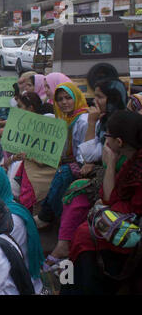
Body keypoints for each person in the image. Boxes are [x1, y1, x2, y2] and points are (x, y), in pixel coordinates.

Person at [43, 79, 128, 270]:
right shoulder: (102, 119)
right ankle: (60, 234)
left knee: (72, 186)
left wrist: (90, 123)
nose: (94, 101)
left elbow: (90, 156)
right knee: (72, 189)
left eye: (100, 97)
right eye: (60, 99)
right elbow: (90, 154)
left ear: (113, 98)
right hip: (99, 169)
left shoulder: (116, 122)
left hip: (110, 174)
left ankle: (60, 238)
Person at [62, 111, 142, 295]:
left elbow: (114, 201)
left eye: (107, 135)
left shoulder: (136, 165)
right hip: (123, 215)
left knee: (84, 237)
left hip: (134, 229)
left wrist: (110, 163)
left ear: (119, 142)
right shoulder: (130, 160)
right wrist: (111, 163)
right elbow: (109, 198)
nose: (105, 139)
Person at [34, 82, 89, 229]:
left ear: (76, 98)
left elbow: (83, 155)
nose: (64, 102)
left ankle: (47, 216)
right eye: (60, 99)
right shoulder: (65, 118)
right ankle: (44, 212)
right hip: (71, 160)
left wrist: (64, 160)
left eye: (68, 98)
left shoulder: (83, 120)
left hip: (86, 165)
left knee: (63, 174)